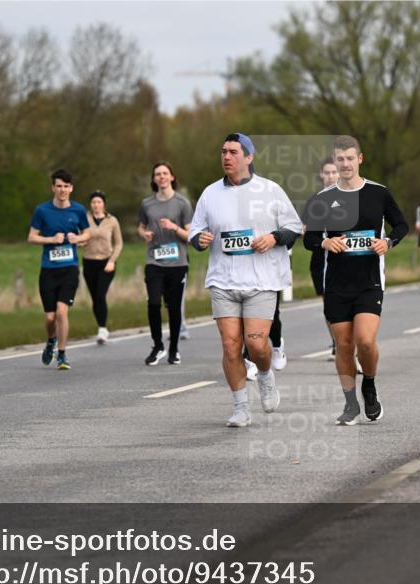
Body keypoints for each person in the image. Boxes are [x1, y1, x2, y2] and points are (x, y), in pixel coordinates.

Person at [188, 133, 302, 427]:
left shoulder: (271, 190)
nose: (226, 157)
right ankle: (240, 407)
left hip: (261, 281)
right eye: (223, 151)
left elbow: (294, 228)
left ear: (248, 157)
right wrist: (199, 240)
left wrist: (274, 238)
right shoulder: (210, 194)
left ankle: (265, 375)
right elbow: (195, 233)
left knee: (256, 344)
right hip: (223, 281)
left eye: (233, 152)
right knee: (230, 346)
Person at [303, 135, 409, 425]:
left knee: (364, 340)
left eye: (351, 158)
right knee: (344, 345)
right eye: (341, 159)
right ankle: (350, 405)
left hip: (369, 280)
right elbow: (310, 238)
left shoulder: (378, 193)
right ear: (335, 162)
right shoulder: (322, 199)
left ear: (359, 159)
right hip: (336, 283)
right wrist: (325, 244)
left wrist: (388, 242)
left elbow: (402, 224)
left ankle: (370, 385)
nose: (346, 163)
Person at [28, 169, 90, 370]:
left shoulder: (79, 210)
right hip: (48, 269)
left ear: (71, 188)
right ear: (53, 188)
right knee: (50, 317)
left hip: (69, 268)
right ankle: (51, 340)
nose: (62, 190)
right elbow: (31, 237)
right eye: (59, 186)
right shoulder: (42, 210)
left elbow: (87, 234)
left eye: (66, 186)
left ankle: (62, 354)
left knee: (62, 312)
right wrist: (50, 239)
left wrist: (77, 238)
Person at [138, 162, 192, 365]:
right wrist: (145, 234)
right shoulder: (147, 204)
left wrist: (173, 227)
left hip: (177, 263)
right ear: (153, 179)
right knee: (153, 303)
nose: (161, 177)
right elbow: (141, 227)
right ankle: (158, 345)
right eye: (157, 174)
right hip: (154, 260)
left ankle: (174, 348)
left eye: (165, 173)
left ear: (172, 177)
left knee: (174, 307)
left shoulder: (182, 203)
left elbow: (190, 235)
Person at [80, 190, 122, 344]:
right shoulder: (84, 219)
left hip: (106, 263)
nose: (96, 205)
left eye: (99, 202)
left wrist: (112, 260)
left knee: (100, 294)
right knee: (94, 297)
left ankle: (102, 329)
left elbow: (119, 243)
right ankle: (100, 325)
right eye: (93, 202)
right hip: (89, 261)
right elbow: (79, 237)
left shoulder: (112, 221)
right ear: (90, 205)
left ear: (104, 204)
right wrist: (80, 242)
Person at [311, 158, 339, 359]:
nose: (330, 176)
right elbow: (306, 232)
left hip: (341, 258)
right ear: (321, 175)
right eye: (327, 173)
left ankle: (347, 345)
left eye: (334, 172)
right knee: (328, 304)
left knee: (343, 302)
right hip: (320, 259)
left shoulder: (348, 198)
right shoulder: (315, 201)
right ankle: (337, 343)